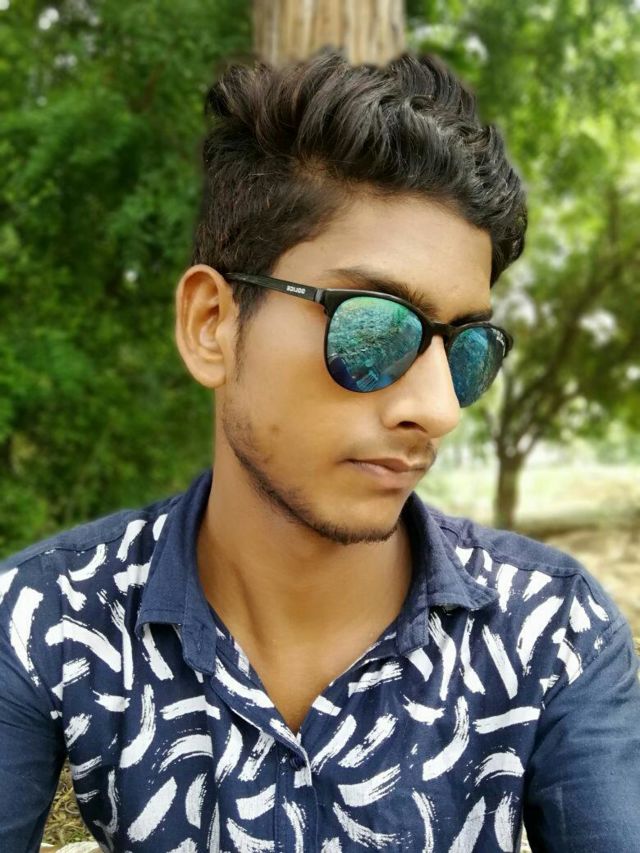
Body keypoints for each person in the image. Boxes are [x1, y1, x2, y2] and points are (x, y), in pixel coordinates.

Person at [1, 49, 638, 853]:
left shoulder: (551, 630)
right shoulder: (54, 616)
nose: (438, 410)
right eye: (374, 328)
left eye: (466, 349)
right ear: (211, 324)